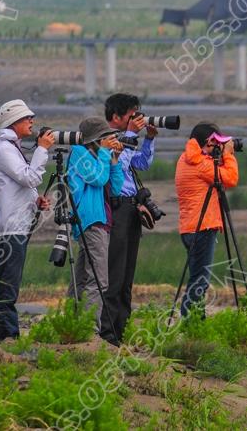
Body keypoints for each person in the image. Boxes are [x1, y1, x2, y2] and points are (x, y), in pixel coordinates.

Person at [0, 100, 55, 345]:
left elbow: (18, 186)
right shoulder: (4, 148)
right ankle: (7, 336)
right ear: (13, 122)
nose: (32, 121)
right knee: (8, 285)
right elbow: (29, 177)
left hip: (15, 225)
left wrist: (35, 201)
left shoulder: (12, 147)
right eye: (27, 118)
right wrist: (43, 149)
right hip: (10, 228)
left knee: (5, 282)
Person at [100, 93, 158, 344]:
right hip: (116, 209)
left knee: (127, 275)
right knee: (114, 272)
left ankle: (120, 330)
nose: (136, 119)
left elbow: (142, 164)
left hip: (132, 208)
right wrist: (133, 135)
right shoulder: (104, 139)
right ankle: (108, 332)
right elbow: (116, 165)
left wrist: (149, 139)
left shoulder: (128, 140)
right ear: (116, 117)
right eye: (131, 115)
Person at [174, 121, 239, 317]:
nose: (218, 147)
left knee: (197, 278)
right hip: (202, 226)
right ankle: (189, 322)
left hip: (189, 227)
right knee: (200, 280)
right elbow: (231, 179)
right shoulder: (200, 164)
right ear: (208, 142)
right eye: (216, 143)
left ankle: (196, 321)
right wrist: (228, 154)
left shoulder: (185, 159)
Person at [67, 116, 124, 335]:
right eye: (106, 136)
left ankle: (71, 324)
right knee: (99, 280)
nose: (110, 140)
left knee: (81, 278)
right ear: (96, 138)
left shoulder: (100, 156)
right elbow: (98, 179)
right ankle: (89, 330)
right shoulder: (80, 154)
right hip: (89, 220)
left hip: (101, 221)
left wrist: (114, 159)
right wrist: (103, 153)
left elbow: (116, 188)